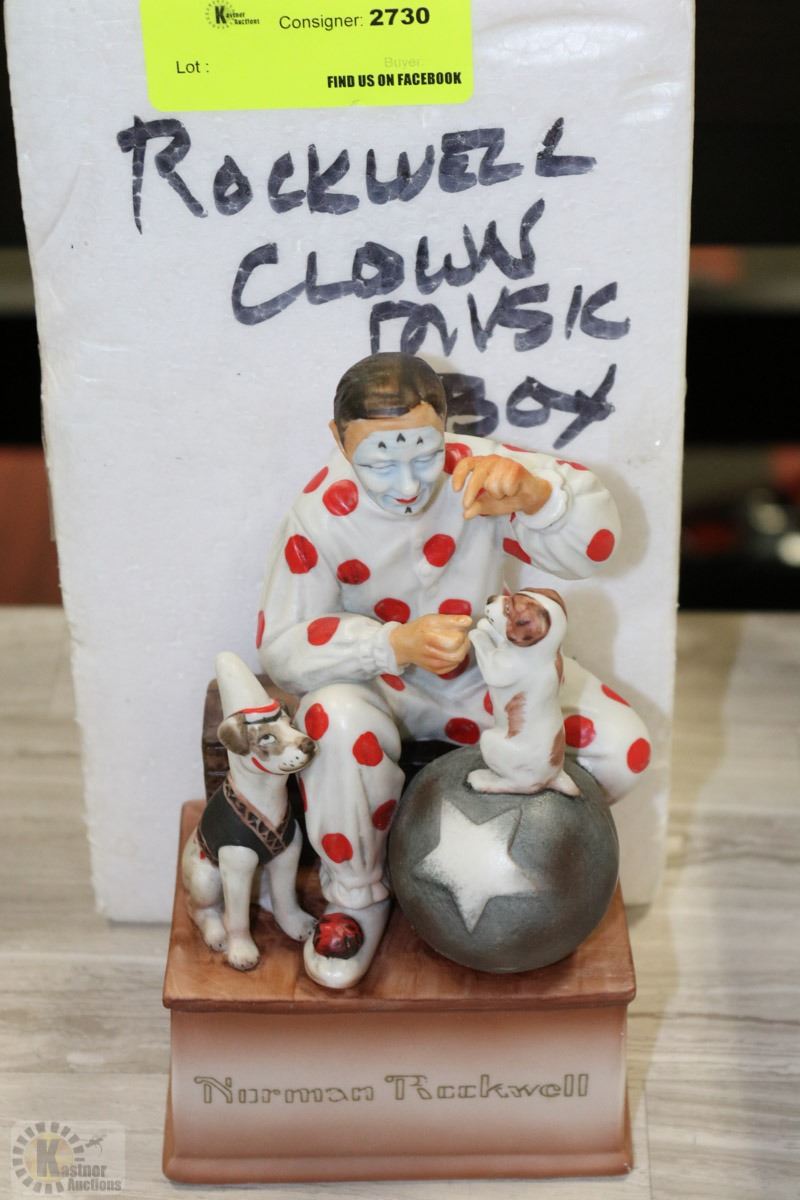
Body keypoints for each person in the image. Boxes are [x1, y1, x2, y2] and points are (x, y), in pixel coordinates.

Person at [258, 352, 650, 988]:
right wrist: (391, 644)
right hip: (380, 687)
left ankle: (533, 858)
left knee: (624, 750)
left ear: (444, 426)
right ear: (338, 438)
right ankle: (357, 893)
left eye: (424, 455)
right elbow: (282, 647)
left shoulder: (475, 472)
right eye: (380, 463)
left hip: (483, 676)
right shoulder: (320, 515)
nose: (408, 485)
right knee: (332, 720)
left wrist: (538, 498)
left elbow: (594, 549)